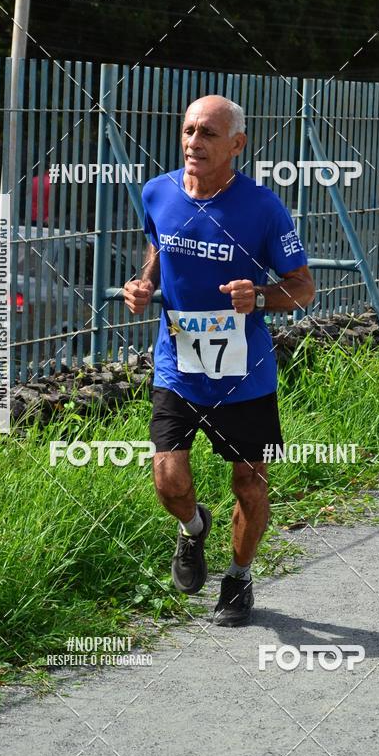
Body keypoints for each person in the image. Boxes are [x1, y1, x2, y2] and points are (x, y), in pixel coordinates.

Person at [123, 95, 315, 627]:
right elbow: (158, 248)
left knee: (249, 484)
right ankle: (193, 529)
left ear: (236, 144)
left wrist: (261, 296)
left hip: (243, 375)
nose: (193, 142)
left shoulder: (263, 208)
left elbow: (303, 288)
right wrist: (143, 284)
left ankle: (238, 577)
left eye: (208, 133)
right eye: (188, 130)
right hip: (178, 364)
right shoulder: (157, 191)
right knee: (168, 479)